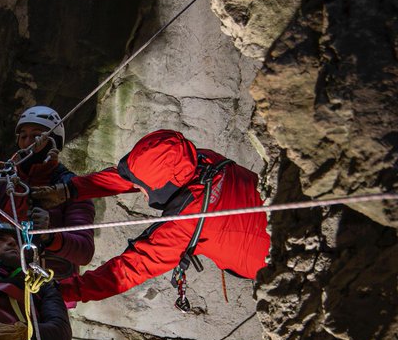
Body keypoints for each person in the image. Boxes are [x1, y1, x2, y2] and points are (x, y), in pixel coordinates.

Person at [33, 128, 270, 305]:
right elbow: (136, 177)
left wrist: (59, 291)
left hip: (273, 266)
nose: (139, 190)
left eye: (143, 188)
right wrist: (70, 189)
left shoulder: (183, 224)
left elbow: (127, 270)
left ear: (162, 189)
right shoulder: (204, 160)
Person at [0, 106, 95, 279]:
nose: (28, 142)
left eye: (37, 136)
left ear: (54, 141)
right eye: (23, 136)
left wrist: (49, 236)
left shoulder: (71, 189)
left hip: (46, 283)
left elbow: (84, 252)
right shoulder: (0, 182)